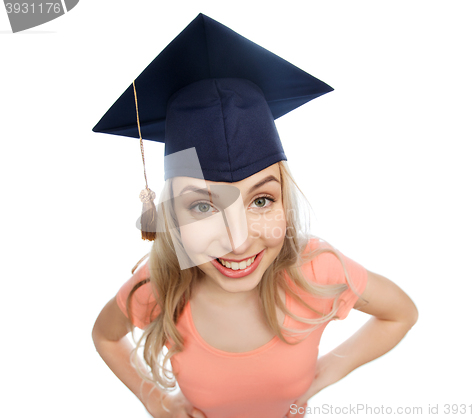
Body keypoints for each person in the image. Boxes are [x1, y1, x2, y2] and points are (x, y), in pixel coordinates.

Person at [91, 14, 418, 418]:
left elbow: (401, 313)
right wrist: (156, 401)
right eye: (203, 206)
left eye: (261, 200)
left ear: (285, 200)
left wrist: (326, 372)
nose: (238, 239)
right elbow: (105, 337)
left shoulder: (317, 272)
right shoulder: (159, 289)